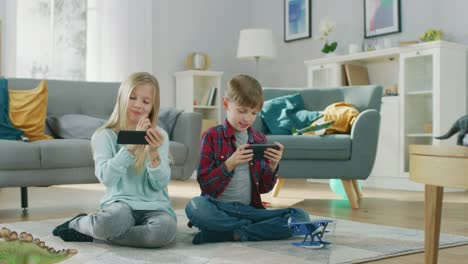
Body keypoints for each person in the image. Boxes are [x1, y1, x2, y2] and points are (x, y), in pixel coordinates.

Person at [53, 72, 177, 248]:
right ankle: (78, 223)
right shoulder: (104, 135)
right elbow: (107, 178)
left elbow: (160, 184)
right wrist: (131, 147)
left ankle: (95, 234)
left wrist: (153, 153)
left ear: (152, 107)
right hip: (120, 205)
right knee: (111, 221)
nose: (138, 105)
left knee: (165, 232)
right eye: (132, 97)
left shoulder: (159, 136)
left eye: (146, 101)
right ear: (122, 98)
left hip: (155, 207)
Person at [185, 74, 310, 244]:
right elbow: (205, 183)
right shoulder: (212, 136)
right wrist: (230, 163)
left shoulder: (259, 140)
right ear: (225, 103)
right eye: (242, 111)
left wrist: (273, 166)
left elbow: (264, 188)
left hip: (250, 210)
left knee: (301, 216)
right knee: (195, 206)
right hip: (218, 207)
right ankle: (255, 229)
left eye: (253, 113)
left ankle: (233, 233)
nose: (247, 118)